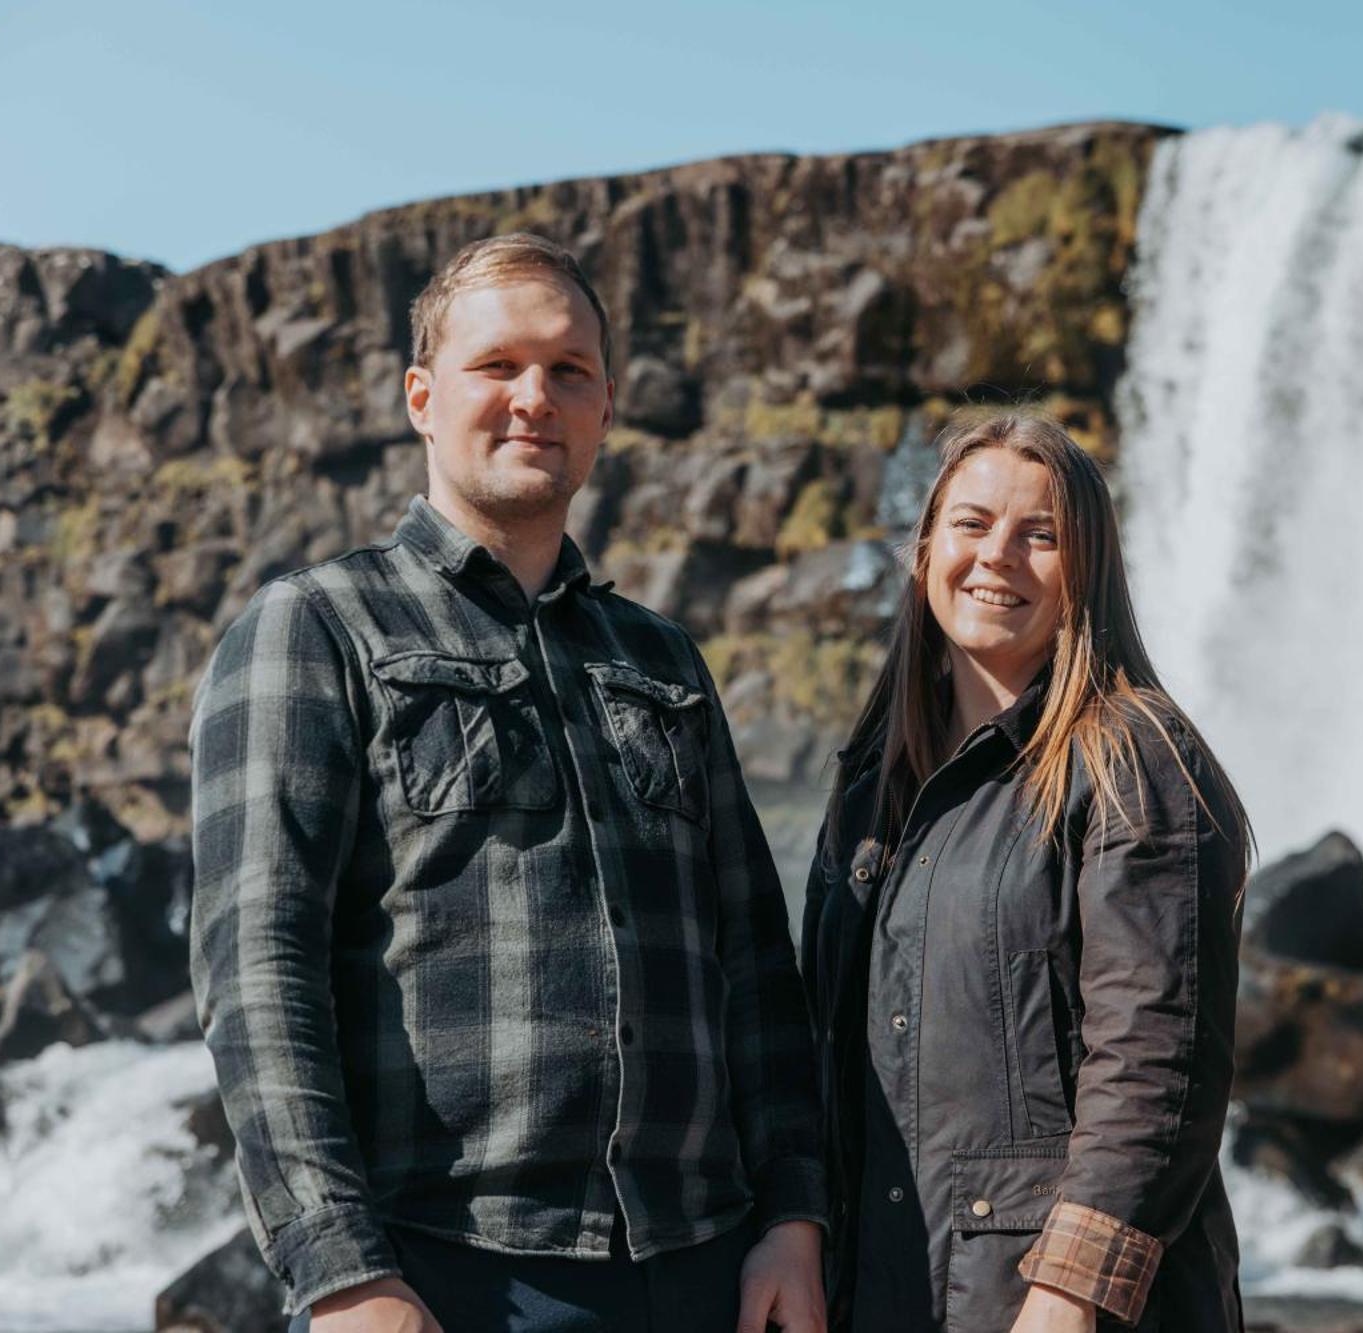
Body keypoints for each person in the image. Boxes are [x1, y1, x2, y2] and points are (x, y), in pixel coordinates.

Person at [189, 233, 827, 1333]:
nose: (535, 396)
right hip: (449, 1275)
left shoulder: (662, 659)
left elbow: (753, 961)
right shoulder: (316, 627)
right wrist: (340, 1271)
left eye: (568, 370)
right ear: (422, 398)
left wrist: (792, 1219)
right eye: (499, 366)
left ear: (605, 407)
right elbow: (254, 962)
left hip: (703, 1266)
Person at [802, 413, 1253, 1332]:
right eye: (971, 524)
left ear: (1087, 571)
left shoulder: (1133, 757)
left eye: (1039, 534)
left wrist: (1069, 1289)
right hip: (888, 1288)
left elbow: (1156, 1056)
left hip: (1046, 1309)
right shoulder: (871, 787)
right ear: (925, 549)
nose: (996, 555)